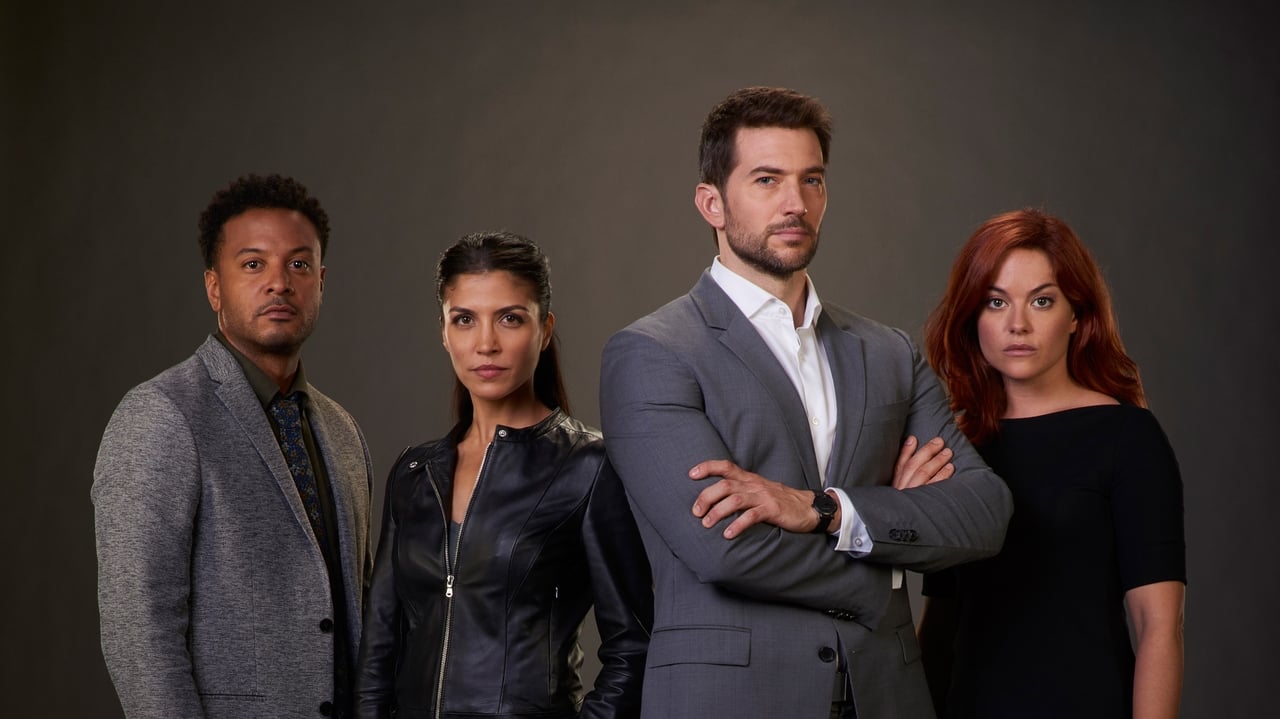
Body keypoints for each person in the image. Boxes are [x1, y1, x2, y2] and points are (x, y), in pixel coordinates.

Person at [598, 86, 1014, 719]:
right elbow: (726, 549)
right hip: (733, 702)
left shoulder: (888, 352)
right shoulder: (653, 353)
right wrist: (890, 563)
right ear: (712, 203)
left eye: (811, 180)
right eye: (767, 180)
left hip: (887, 698)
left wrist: (828, 511)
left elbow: (985, 512)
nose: (795, 203)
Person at [92, 174, 374, 718]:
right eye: (253, 264)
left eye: (298, 264)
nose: (279, 283)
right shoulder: (161, 415)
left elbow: (356, 611)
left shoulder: (344, 432)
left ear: (321, 281)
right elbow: (137, 628)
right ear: (214, 287)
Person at [354, 232, 652, 719]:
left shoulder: (588, 467)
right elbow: (379, 649)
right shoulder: (413, 473)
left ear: (545, 329)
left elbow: (633, 647)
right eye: (464, 319)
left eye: (510, 318)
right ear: (444, 332)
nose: (486, 344)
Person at [918, 208, 1186, 718]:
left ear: (1077, 315)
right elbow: (941, 624)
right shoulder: (957, 444)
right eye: (996, 302)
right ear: (973, 316)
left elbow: (1159, 626)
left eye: (1041, 301)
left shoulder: (1126, 437)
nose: (1017, 324)